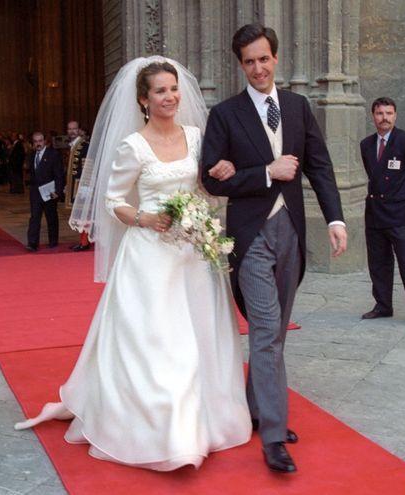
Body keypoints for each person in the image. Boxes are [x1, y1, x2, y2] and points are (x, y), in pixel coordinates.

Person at [14, 57, 251, 471]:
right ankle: (170, 432)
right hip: (149, 256)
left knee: (201, 334)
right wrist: (146, 218)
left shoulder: (197, 137)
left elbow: (208, 184)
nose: (170, 97)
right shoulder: (133, 146)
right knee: (161, 341)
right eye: (160, 90)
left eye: (173, 88)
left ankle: (207, 418)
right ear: (144, 100)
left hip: (194, 254)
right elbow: (114, 202)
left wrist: (222, 177)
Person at [201, 23, 348, 473]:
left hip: (293, 236)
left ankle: (257, 409)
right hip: (250, 239)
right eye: (249, 61)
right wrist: (267, 171)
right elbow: (209, 178)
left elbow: (319, 167)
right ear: (240, 65)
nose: (258, 68)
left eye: (264, 59)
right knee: (265, 330)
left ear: (276, 59)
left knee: (276, 334)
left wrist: (336, 219)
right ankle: (272, 438)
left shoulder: (300, 107)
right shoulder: (225, 115)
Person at [360, 97, 405, 326]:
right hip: (375, 212)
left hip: (400, 213)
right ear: (373, 116)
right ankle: (383, 305)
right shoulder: (366, 145)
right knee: (378, 262)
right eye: (380, 113)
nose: (385, 118)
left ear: (395, 115)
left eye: (389, 113)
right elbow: (375, 176)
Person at [26, 131, 64, 251]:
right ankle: (32, 243)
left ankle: (53, 241)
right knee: (34, 218)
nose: (38, 144)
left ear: (44, 141)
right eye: (36, 141)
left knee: (51, 217)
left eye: (40, 141)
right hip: (35, 192)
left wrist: (57, 191)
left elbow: (59, 174)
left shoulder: (53, 154)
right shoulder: (31, 155)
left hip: (49, 192)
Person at [66, 120, 92, 251]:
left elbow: (87, 166)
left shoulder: (84, 145)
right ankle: (83, 240)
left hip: (81, 186)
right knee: (80, 213)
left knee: (83, 213)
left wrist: (86, 186)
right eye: (69, 129)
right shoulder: (72, 145)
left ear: (79, 130)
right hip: (74, 185)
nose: (72, 131)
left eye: (74, 129)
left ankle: (85, 242)